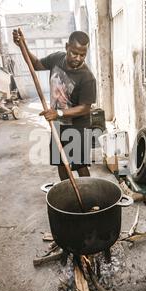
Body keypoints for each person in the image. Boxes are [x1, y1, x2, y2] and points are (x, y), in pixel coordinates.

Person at [13, 29, 97, 181]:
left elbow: (85, 107)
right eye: (74, 53)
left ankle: (88, 195)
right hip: (58, 125)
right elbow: (37, 64)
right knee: (61, 162)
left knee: (79, 165)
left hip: (78, 126)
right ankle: (67, 193)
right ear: (67, 47)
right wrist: (23, 45)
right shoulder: (57, 58)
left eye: (82, 55)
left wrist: (58, 113)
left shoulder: (87, 77)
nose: (78, 58)